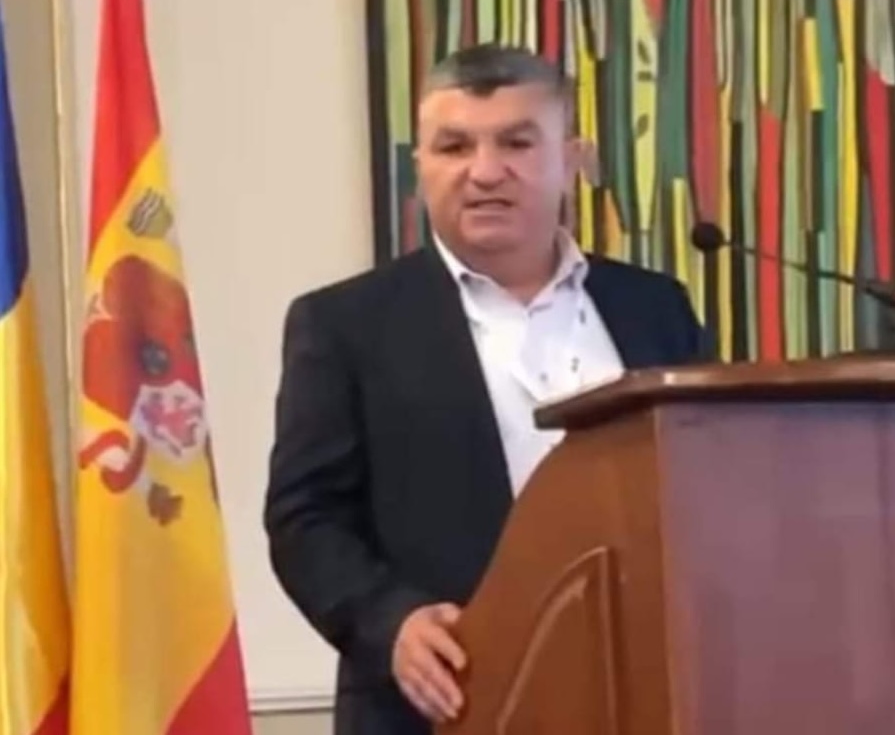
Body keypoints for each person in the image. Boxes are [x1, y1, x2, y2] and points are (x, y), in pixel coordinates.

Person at [264, 43, 712, 735]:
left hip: (650, 696)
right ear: (421, 166)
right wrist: (392, 621)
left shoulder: (654, 308)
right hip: (448, 702)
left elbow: (710, 486)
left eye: (517, 143)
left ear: (573, 159)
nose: (484, 172)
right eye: (454, 147)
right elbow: (306, 518)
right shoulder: (346, 324)